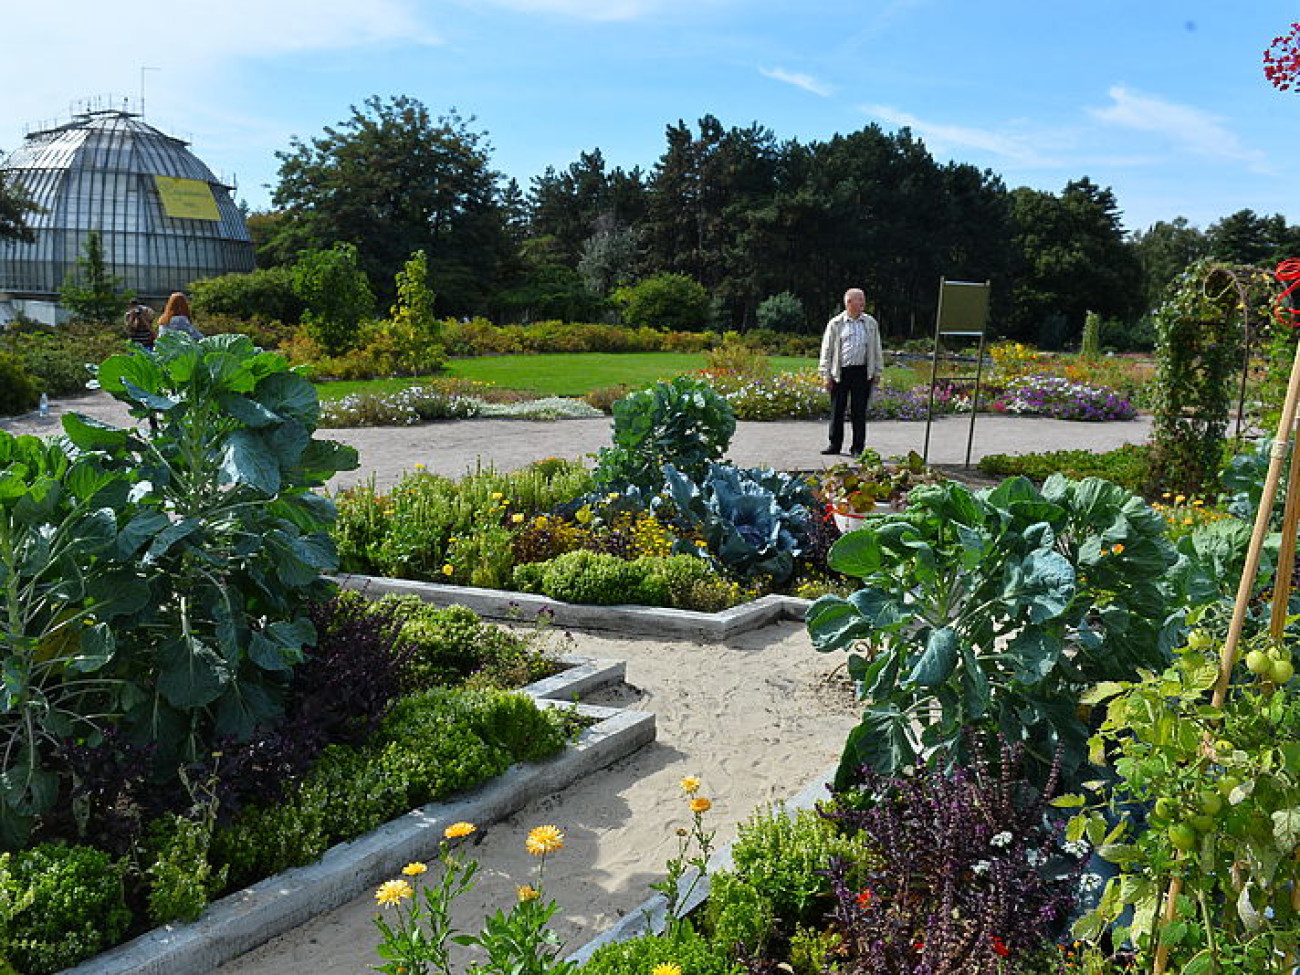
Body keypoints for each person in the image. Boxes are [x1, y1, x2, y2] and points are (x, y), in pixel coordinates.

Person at [817, 287, 884, 456]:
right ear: (849, 303)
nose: (863, 303)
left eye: (863, 299)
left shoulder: (870, 323)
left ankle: (857, 447)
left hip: (862, 372)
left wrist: (877, 371)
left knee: (859, 411)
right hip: (840, 372)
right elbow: (827, 350)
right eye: (859, 300)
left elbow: (877, 348)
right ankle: (834, 445)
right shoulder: (836, 323)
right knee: (837, 410)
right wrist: (826, 375)